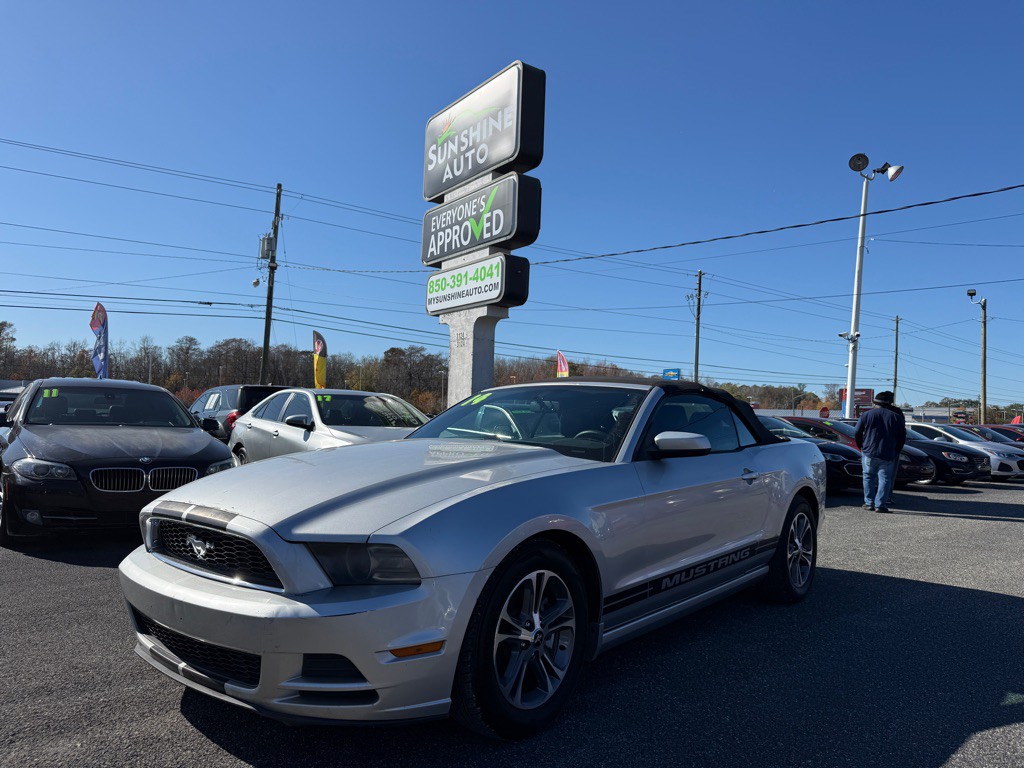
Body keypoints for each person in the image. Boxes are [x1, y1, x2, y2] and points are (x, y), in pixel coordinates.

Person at [854, 391, 906, 513]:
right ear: (888, 403)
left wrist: (860, 446)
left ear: (874, 402)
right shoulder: (896, 417)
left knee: (868, 477)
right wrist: (896, 450)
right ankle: (880, 505)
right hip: (888, 453)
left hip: (869, 451)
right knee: (885, 479)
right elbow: (902, 437)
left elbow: (857, 432)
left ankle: (869, 503)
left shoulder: (866, 415)